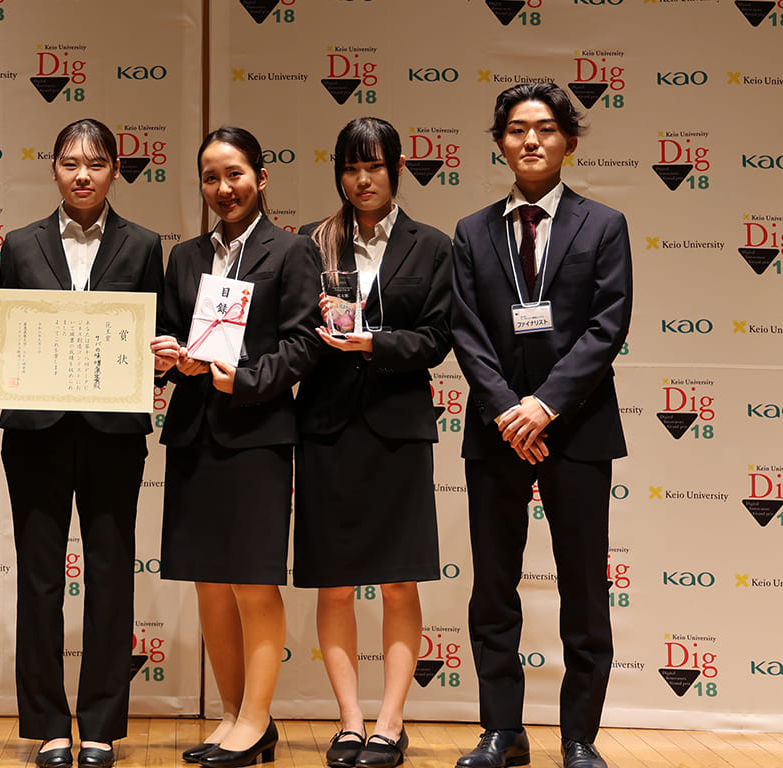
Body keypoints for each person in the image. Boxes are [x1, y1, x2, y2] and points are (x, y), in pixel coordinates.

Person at [0, 118, 167, 768]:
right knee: (40, 578)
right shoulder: (20, 245)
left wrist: (161, 356)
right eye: (71, 162)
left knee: (111, 576)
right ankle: (49, 724)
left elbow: (154, 338)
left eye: (96, 162)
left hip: (113, 434)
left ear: (114, 170)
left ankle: (102, 724)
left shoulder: (143, 245)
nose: (83, 174)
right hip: (36, 434)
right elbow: (10, 333)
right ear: (53, 167)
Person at [449, 83, 632, 768]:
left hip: (578, 429)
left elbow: (607, 326)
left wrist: (545, 405)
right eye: (518, 129)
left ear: (569, 142)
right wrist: (507, 409)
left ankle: (579, 736)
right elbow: (466, 331)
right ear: (500, 142)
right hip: (496, 431)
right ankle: (502, 731)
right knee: (494, 585)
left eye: (546, 129)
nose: (531, 140)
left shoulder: (603, 225)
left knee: (583, 586)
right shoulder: (471, 231)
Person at [152, 126, 319, 768]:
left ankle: (257, 719)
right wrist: (168, 358)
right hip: (194, 431)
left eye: (235, 174)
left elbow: (304, 345)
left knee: (252, 583)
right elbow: (170, 339)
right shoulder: (186, 256)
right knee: (209, 585)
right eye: (211, 178)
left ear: (261, 178)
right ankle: (230, 716)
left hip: (257, 434)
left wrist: (242, 379)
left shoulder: (290, 251)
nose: (224, 188)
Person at [294, 117, 452, 768]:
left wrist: (375, 344)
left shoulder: (432, 246)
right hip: (327, 427)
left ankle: (391, 721)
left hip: (398, 427)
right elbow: (296, 333)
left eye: (376, 166)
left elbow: (439, 338)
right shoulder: (311, 244)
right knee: (333, 585)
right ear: (339, 173)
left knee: (398, 585)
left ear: (396, 171)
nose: (363, 179)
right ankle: (350, 722)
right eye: (352, 167)